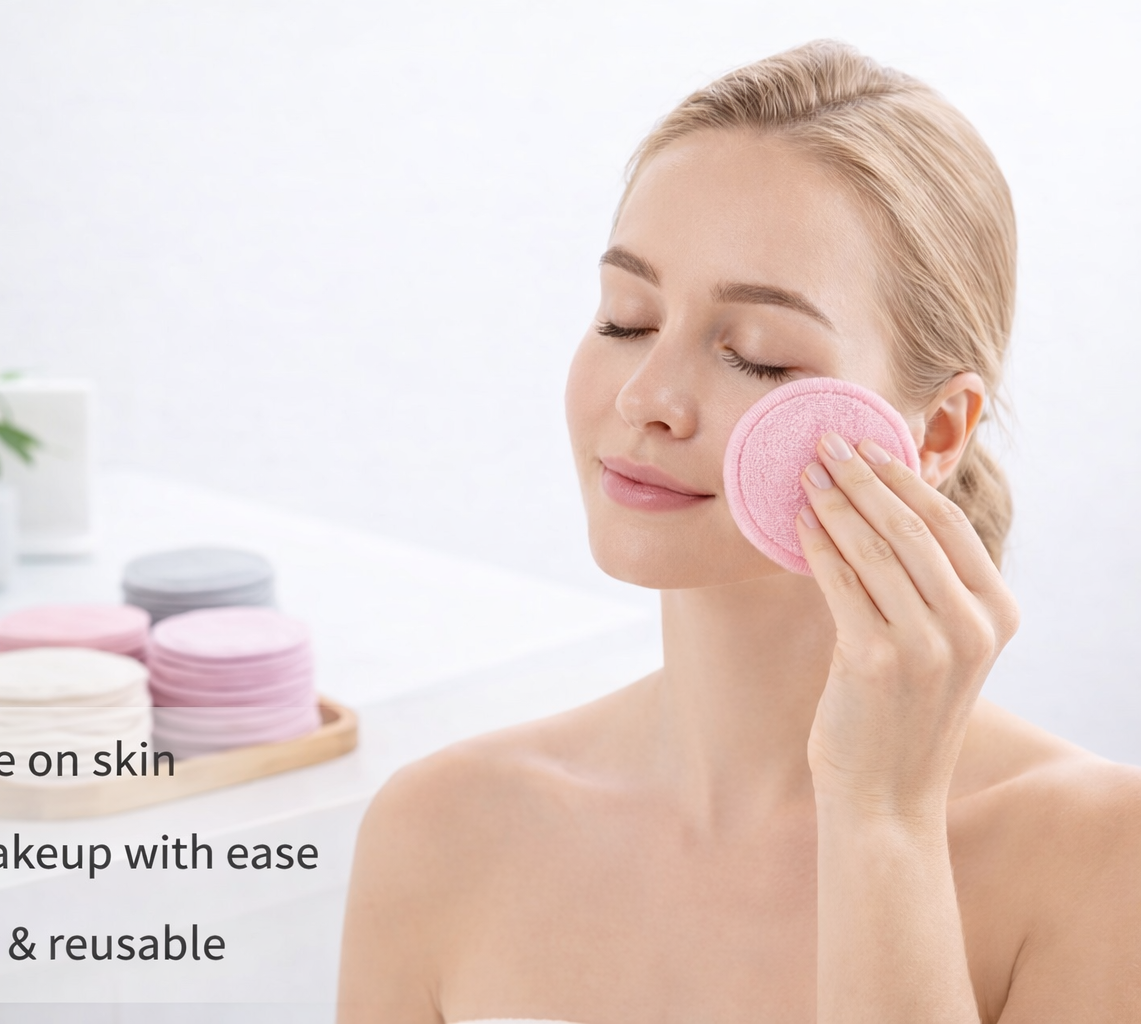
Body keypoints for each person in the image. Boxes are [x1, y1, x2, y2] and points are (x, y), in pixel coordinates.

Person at [336, 39, 1141, 1023]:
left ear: (936, 431)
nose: (646, 396)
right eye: (626, 319)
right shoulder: (439, 831)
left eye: (755, 356)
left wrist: (881, 824)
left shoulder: (1101, 860)